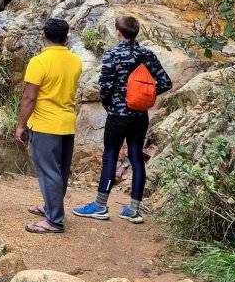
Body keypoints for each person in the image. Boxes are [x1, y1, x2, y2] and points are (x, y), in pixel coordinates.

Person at [73, 14, 172, 224]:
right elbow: (165, 83)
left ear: (118, 32)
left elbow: (106, 86)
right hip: (140, 116)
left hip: (118, 115)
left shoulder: (113, 54)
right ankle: (133, 209)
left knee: (110, 155)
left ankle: (100, 206)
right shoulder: (147, 54)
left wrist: (112, 104)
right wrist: (144, 98)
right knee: (136, 157)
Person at [16, 18, 83, 234]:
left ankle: (54, 220)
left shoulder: (39, 62)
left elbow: (29, 98)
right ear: (67, 37)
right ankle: (49, 208)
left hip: (45, 124)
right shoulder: (75, 61)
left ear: (43, 35)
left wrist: (20, 125)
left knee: (48, 173)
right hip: (66, 124)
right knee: (60, 172)